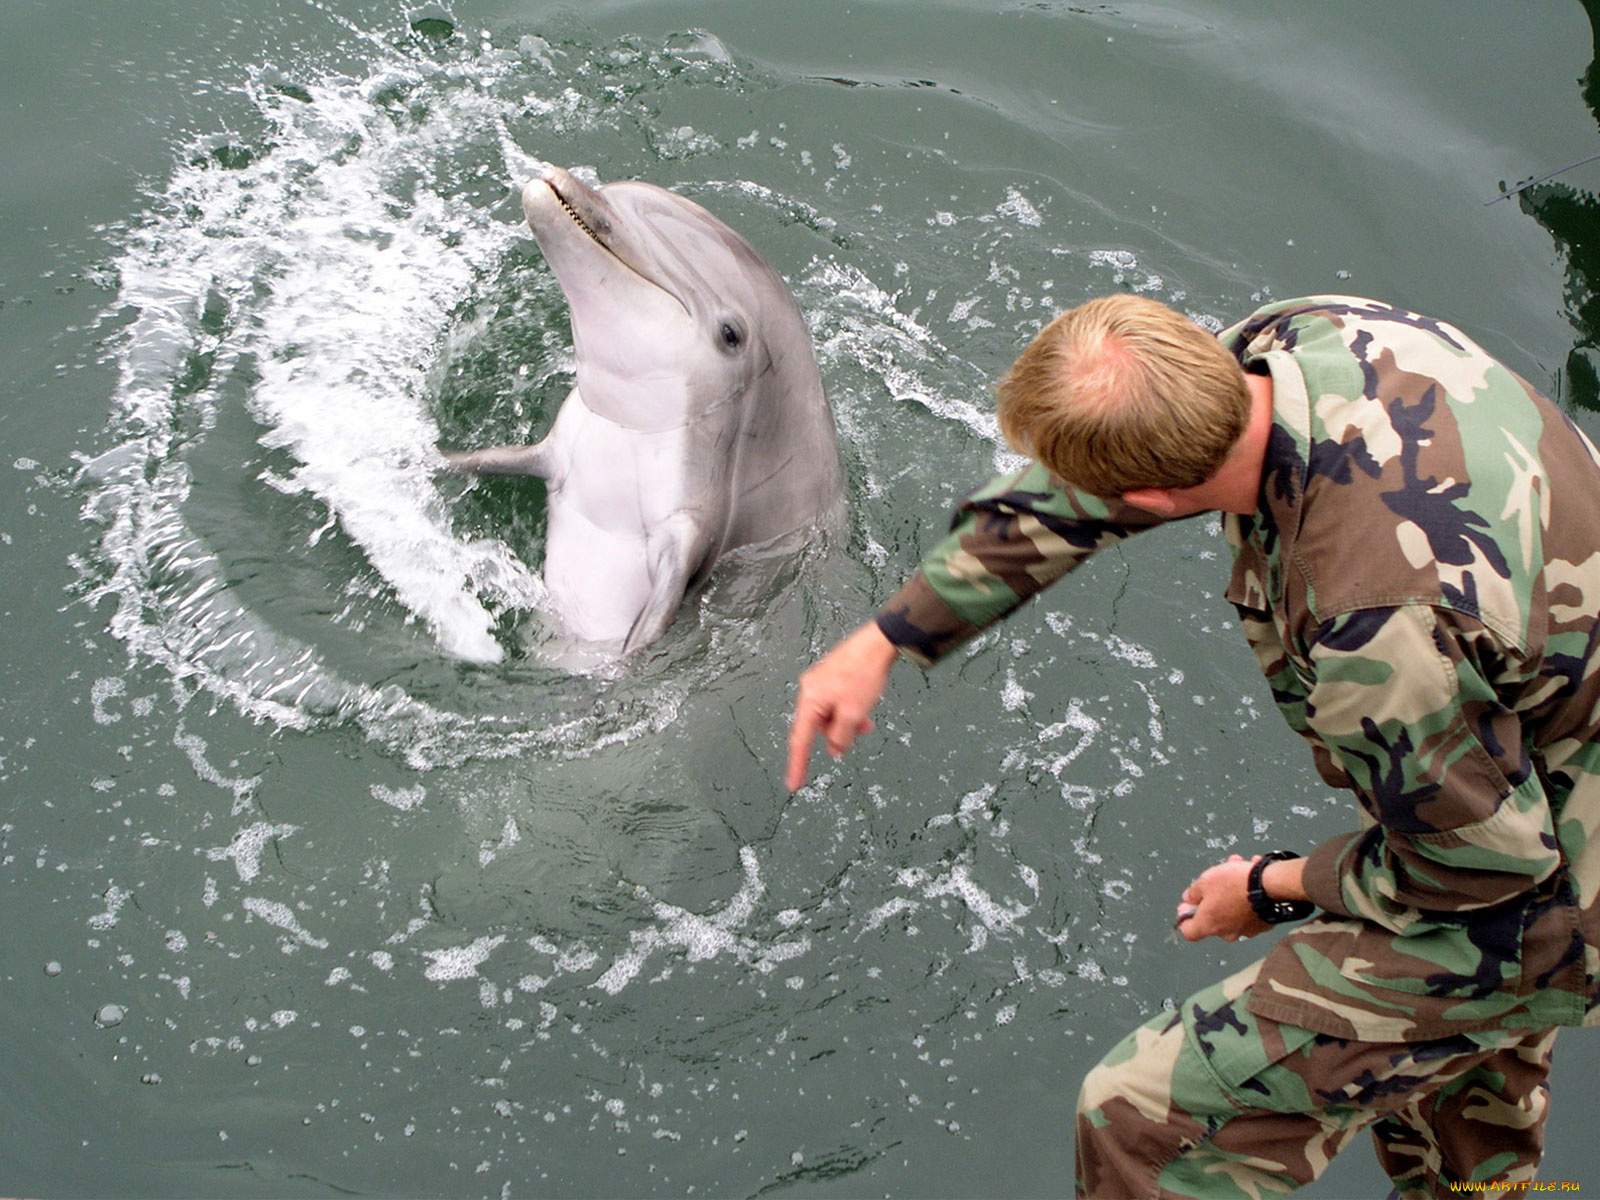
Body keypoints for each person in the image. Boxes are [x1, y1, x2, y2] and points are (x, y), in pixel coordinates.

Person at [784, 293, 1600, 1198]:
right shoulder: (1301, 338)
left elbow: (1481, 875)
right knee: (1452, 1073)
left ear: (1149, 502)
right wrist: (889, 635)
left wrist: (1272, 887)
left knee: (1142, 1119)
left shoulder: (1372, 623)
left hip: (1545, 890)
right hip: (1535, 750)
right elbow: (1095, 480)